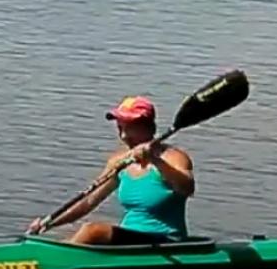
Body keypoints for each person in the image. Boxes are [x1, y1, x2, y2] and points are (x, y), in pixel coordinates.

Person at [26, 95, 194, 245]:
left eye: (129, 128)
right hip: (129, 239)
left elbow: (187, 188)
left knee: (94, 231)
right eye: (120, 128)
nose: (124, 136)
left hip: (165, 241)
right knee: (73, 233)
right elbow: (88, 202)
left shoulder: (174, 157)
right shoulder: (120, 161)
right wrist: (49, 223)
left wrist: (155, 161)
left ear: (149, 128)